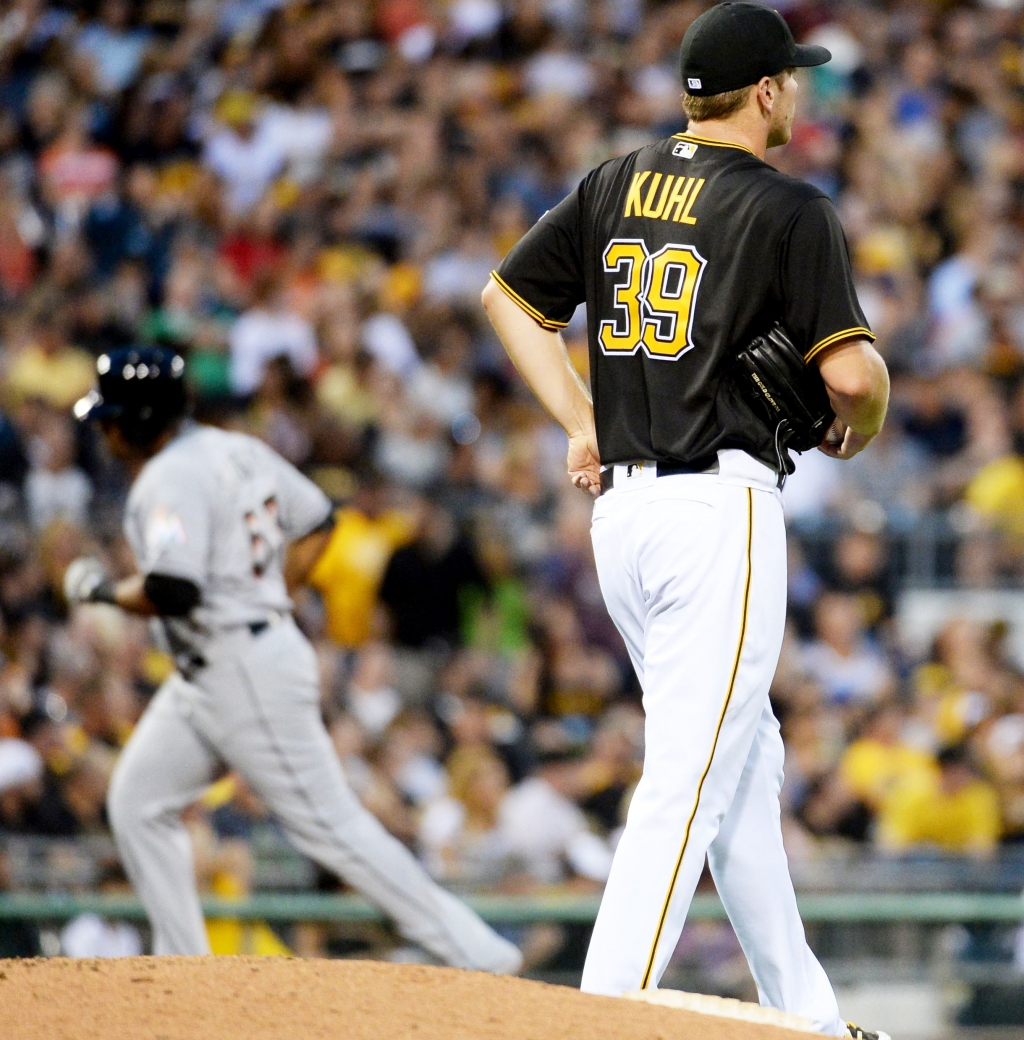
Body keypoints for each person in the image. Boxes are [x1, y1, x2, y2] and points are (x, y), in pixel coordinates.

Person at [482, 5, 889, 1038]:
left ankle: (806, 1016)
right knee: (690, 779)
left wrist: (581, 419)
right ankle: (598, 1018)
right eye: (790, 77)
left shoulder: (615, 179)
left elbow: (507, 299)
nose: (796, 90)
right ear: (764, 92)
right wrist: (865, 416)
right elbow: (848, 373)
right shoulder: (788, 208)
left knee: (743, 768)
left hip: (625, 516)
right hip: (718, 510)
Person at [64, 344, 521, 974]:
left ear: (139, 420)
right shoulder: (235, 449)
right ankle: (184, 968)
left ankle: (478, 952)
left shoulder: (166, 476)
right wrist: (276, 592)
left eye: (112, 416)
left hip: (241, 666)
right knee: (138, 800)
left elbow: (175, 588)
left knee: (330, 827)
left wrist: (100, 592)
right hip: (218, 666)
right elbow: (319, 519)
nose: (105, 429)